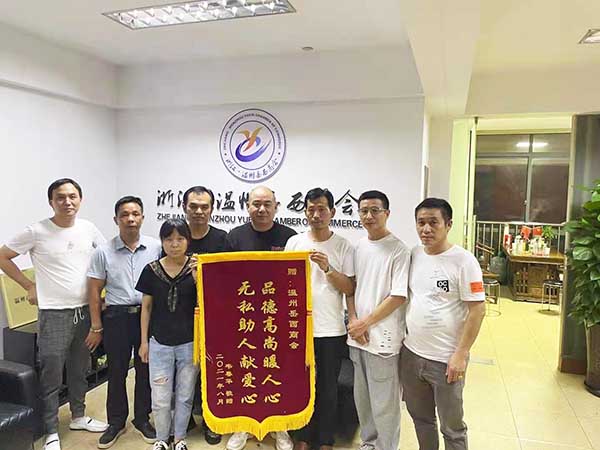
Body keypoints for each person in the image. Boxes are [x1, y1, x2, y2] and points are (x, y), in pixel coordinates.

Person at [0, 178, 108, 450]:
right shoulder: (37, 231)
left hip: (84, 311)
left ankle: (79, 416)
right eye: (60, 197)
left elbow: (106, 258)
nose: (67, 202)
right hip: (53, 314)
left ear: (80, 200)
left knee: (80, 368)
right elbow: (3, 256)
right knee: (51, 375)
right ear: (51, 202)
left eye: (72, 196)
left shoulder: (88, 228)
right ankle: (51, 430)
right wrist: (28, 285)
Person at [401, 198, 486, 450]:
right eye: (421, 223)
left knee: (452, 428)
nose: (426, 229)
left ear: (448, 225)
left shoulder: (464, 261)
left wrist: (461, 354)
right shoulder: (414, 255)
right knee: (421, 419)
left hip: (446, 360)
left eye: (433, 222)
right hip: (412, 354)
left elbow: (478, 310)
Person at [86, 196, 162, 448]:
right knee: (116, 371)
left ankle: (142, 419)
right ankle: (116, 422)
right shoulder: (103, 251)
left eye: (135, 214)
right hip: (116, 317)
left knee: (145, 370)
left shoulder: (155, 247)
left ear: (142, 217)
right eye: (125, 215)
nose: (130, 219)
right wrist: (96, 325)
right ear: (116, 219)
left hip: (147, 316)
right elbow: (94, 291)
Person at [225, 185, 296, 450]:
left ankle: (280, 427)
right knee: (245, 371)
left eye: (267, 204)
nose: (262, 209)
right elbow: (224, 277)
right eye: (256, 204)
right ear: (247, 207)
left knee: (278, 371)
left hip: (277, 318)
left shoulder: (290, 237)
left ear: (276, 207)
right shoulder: (234, 237)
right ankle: (243, 425)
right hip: (243, 317)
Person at [284, 188, 355, 450]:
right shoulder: (294, 242)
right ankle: (302, 437)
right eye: (311, 209)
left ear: (332, 212)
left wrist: (327, 268)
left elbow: (349, 288)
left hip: (331, 330)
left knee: (328, 388)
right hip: (298, 330)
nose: (316, 214)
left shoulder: (343, 246)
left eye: (322, 209)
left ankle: (325, 440)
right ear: (304, 212)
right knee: (300, 387)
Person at [346, 190, 410, 450]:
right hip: (357, 337)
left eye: (375, 210)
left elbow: (398, 296)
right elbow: (351, 286)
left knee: (385, 403)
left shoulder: (399, 250)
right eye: (364, 211)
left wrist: (365, 323)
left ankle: (387, 446)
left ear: (387, 213)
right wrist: (353, 320)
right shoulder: (359, 246)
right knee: (363, 400)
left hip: (383, 339)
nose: (369, 216)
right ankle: (369, 443)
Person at [137, 219, 199, 450]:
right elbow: (146, 308)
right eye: (169, 239)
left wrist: (198, 279)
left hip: (190, 343)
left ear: (188, 241)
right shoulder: (151, 270)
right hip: (159, 343)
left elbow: (209, 303)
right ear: (162, 241)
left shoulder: (197, 268)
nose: (174, 244)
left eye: (180, 239)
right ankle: (162, 439)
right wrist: (144, 342)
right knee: (160, 396)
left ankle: (180, 438)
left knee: (185, 395)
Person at [181, 185, 227, 445]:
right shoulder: (176, 236)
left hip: (214, 317)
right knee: (184, 370)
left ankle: (212, 421)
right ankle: (184, 419)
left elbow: (232, 278)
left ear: (212, 209)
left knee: (212, 370)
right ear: (184, 208)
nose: (199, 211)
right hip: (180, 316)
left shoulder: (222, 239)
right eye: (193, 206)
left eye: (204, 207)